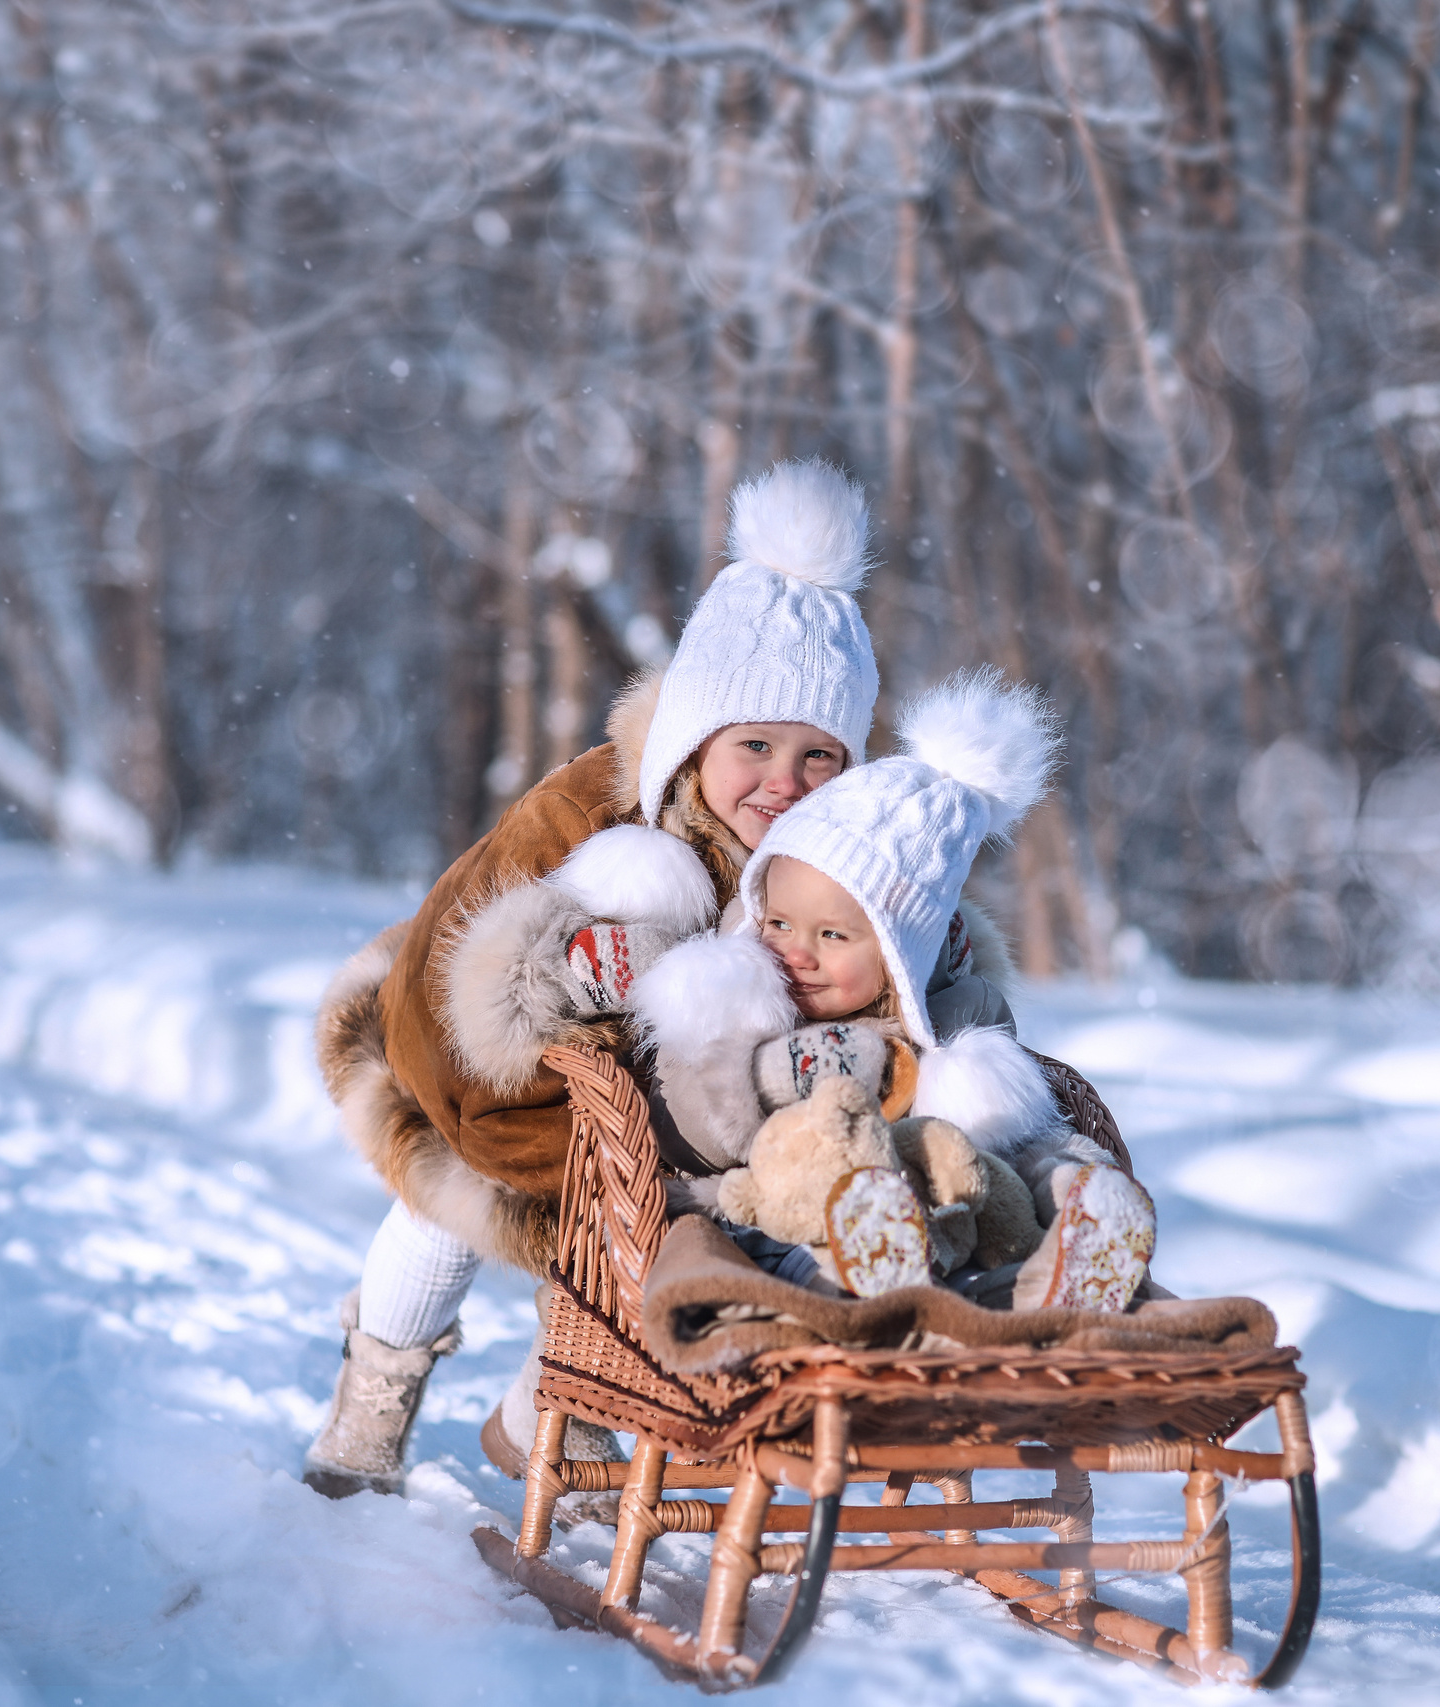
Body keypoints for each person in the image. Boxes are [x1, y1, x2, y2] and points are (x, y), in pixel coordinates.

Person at [306, 460, 986, 1498]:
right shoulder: (593, 814)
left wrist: (935, 968)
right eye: (754, 745)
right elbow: (467, 975)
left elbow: (889, 933)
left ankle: (555, 1405)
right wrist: (574, 989)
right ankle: (372, 1400)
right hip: (489, 1070)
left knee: (680, 1235)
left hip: (695, 1116)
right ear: (694, 738)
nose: (783, 783)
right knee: (450, 1212)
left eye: (820, 759)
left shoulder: (828, 854)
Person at [639, 668, 1154, 1311]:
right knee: (806, 1211)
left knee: (1031, 1164)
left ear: (898, 955)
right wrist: (779, 1075)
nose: (795, 952)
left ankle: (1079, 1243)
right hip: (773, 1221)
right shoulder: (740, 1000)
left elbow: (1010, 1137)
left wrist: (1064, 1169)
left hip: (936, 1224)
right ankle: (874, 1274)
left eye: (832, 935)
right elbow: (683, 1116)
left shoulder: (954, 1020)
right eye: (777, 923)